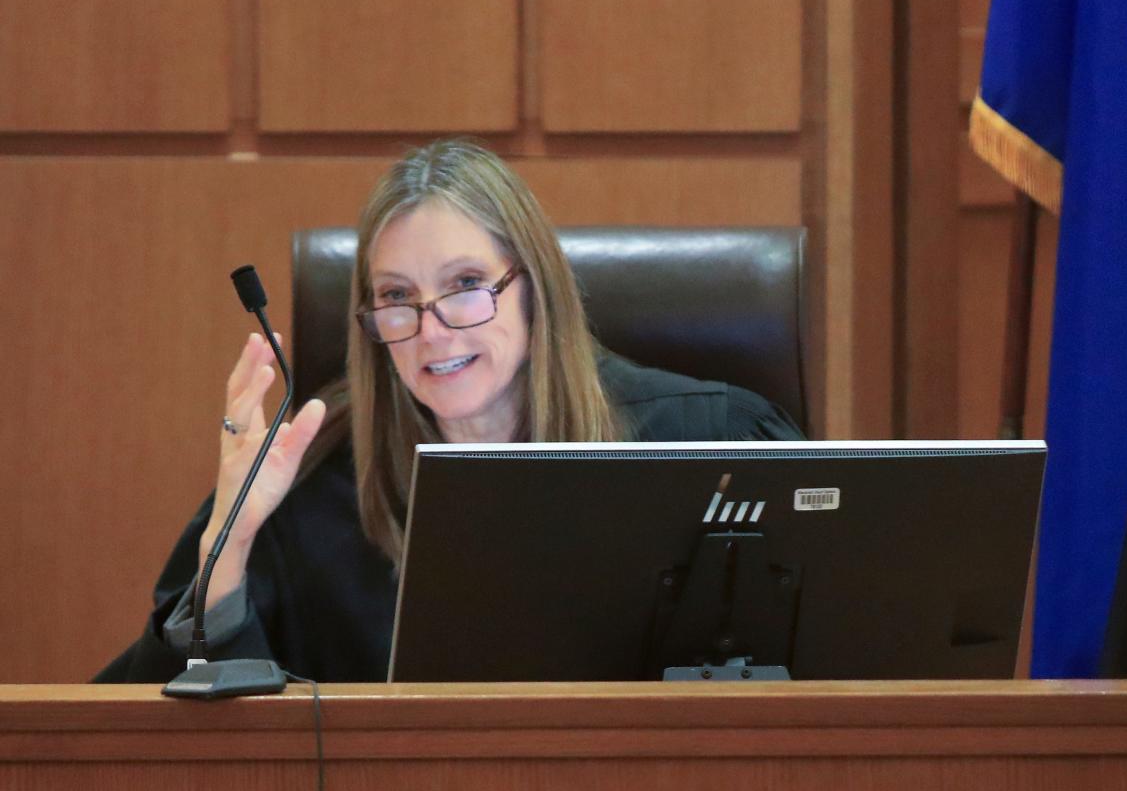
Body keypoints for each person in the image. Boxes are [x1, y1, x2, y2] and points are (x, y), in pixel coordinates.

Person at [97, 140, 803, 683]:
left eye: (466, 284)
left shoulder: (713, 443)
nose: (433, 331)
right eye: (398, 297)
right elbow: (178, 742)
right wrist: (232, 537)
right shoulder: (307, 481)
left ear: (535, 288)